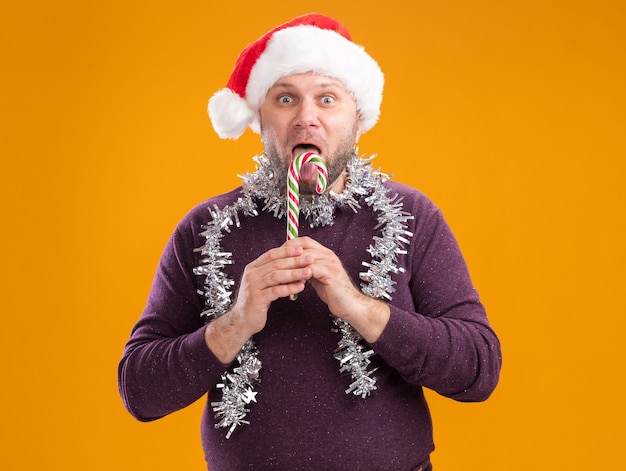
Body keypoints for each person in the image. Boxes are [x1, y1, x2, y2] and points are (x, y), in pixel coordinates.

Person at [118, 12, 502, 471]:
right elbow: (139, 391)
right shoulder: (207, 228)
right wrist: (235, 323)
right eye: (286, 99)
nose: (306, 118)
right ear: (260, 120)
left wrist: (357, 306)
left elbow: (478, 370)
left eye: (327, 99)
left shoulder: (411, 217)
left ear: (358, 121)